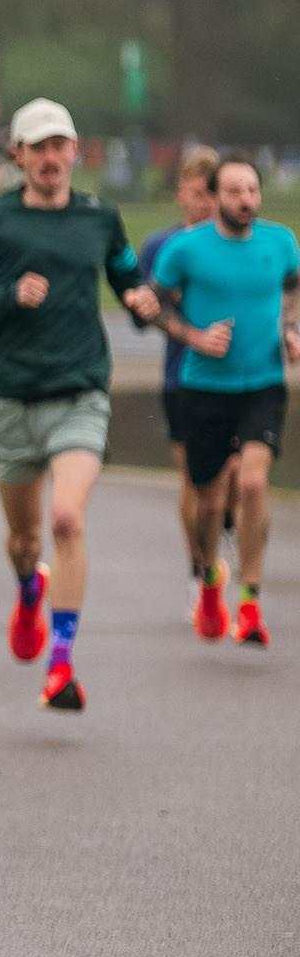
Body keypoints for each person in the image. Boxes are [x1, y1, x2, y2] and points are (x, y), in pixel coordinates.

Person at [0, 97, 159, 712]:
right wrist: (6, 295)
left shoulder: (100, 219)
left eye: (61, 145)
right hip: (12, 397)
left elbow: (128, 282)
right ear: (18, 156)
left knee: (67, 521)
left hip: (80, 389)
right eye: (39, 147)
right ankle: (30, 589)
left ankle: (61, 666)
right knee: (25, 539)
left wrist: (142, 304)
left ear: (76, 151)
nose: (51, 157)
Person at [151, 150, 300, 646]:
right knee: (210, 501)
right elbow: (155, 307)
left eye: (253, 190)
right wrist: (192, 336)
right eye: (235, 191)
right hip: (203, 388)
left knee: (254, 483)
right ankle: (210, 580)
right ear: (215, 198)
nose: (246, 200)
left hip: (263, 384)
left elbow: (293, 289)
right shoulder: (186, 249)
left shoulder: (281, 242)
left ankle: (251, 601)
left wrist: (294, 328)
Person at [136, 145, 230, 613]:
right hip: (181, 379)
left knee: (233, 474)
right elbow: (140, 310)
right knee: (194, 479)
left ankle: (222, 529)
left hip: (240, 379)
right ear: (181, 195)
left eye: (213, 195)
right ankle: (198, 570)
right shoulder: (162, 246)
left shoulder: (240, 241)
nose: (207, 204)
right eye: (198, 194)